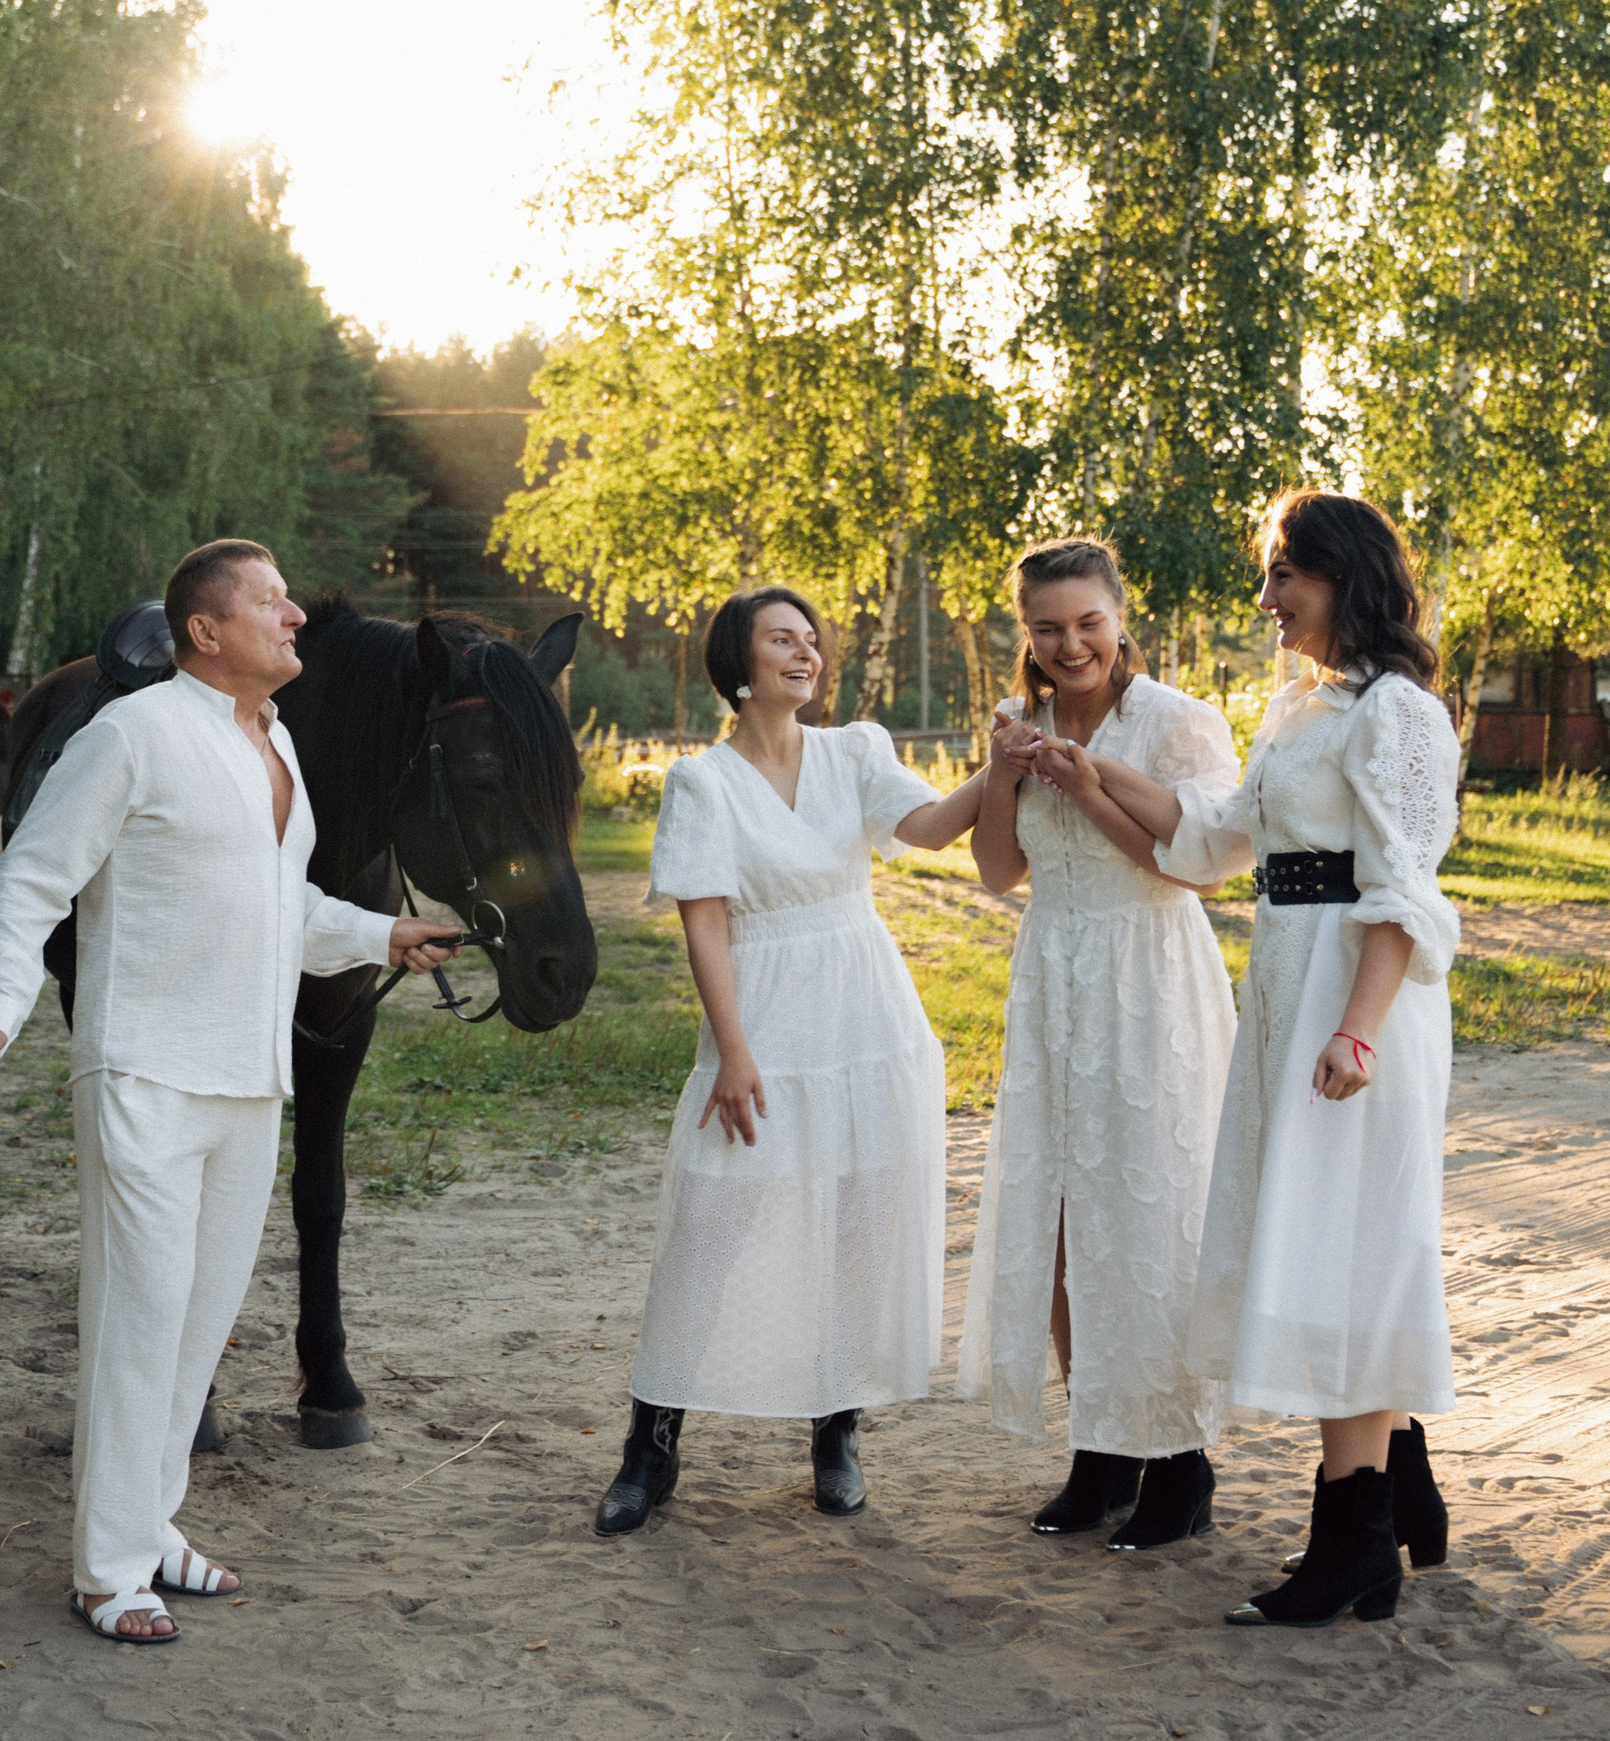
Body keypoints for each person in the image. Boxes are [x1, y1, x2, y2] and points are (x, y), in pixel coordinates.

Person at [0, 539, 463, 1644]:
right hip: (145, 1073)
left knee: (197, 1331)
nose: (294, 618)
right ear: (207, 631)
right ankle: (106, 1572)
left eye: (290, 601)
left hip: (251, 1082)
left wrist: (381, 931)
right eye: (270, 602)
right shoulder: (130, 736)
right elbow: (31, 881)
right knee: (139, 1327)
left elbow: (283, 908)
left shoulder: (275, 742)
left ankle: (151, 1528)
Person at [1064, 490, 1460, 1628]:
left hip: (1356, 998)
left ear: (1346, 576)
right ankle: (1390, 1496)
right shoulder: (1300, 707)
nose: (1268, 595)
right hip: (1290, 979)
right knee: (1322, 1236)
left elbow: (1401, 891)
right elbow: (1218, 832)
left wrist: (1359, 1030)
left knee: (1345, 1247)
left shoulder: (1397, 714)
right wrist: (1089, 771)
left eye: (1286, 573)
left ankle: (1350, 1542)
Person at [595, 586, 985, 1537]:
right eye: (782, 640)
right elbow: (706, 921)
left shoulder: (857, 752)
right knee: (711, 1223)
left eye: (812, 640)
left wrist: (998, 768)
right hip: (763, 1020)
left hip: (866, 1017)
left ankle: (836, 1428)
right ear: (741, 661)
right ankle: (651, 1443)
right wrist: (733, 1053)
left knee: (855, 1219)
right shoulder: (703, 781)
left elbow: (930, 829)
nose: (804, 653)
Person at [958, 538, 1240, 1551]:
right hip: (1052, 983)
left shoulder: (1176, 722)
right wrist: (1002, 772)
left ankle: (1178, 1459)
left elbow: (1195, 873)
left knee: (1150, 1212)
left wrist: (1085, 789)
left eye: (1086, 622)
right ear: (1023, 632)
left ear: (1121, 615)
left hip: (1149, 978)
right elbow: (996, 871)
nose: (1068, 642)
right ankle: (1101, 1445)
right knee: (1064, 1219)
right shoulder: (1021, 724)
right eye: (1046, 626)